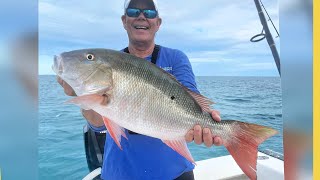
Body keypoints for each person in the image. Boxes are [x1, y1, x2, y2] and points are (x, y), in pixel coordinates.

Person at [57, 0, 222, 179]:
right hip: (120, 173)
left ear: (158, 23)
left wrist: (207, 121)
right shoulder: (113, 60)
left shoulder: (175, 58)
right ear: (124, 20)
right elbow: (97, 125)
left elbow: (193, 100)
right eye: (134, 11)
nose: (142, 16)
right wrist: (85, 96)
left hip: (175, 173)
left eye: (149, 13)